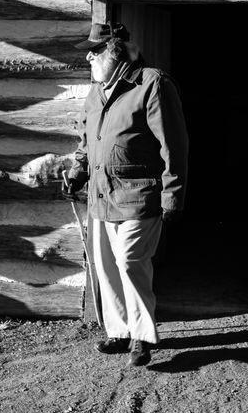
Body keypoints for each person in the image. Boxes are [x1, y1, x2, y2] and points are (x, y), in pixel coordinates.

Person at [63, 22, 188, 367]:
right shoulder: (96, 91)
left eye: (95, 50)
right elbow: (87, 142)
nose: (89, 56)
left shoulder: (151, 84)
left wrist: (172, 196)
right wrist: (78, 171)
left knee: (130, 263)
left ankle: (141, 336)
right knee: (105, 266)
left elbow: (173, 147)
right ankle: (118, 330)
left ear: (115, 52)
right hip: (100, 197)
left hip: (138, 196)